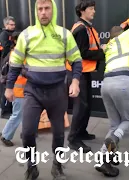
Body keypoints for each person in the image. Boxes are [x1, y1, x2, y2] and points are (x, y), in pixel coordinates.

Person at [5, 0, 82, 179]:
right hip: (33, 91)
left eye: (47, 8)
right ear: (36, 11)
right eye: (40, 9)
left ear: (53, 10)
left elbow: (76, 60)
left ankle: (57, 166)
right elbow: (15, 64)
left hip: (57, 92)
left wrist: (75, 81)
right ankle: (31, 166)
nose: (43, 12)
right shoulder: (27, 35)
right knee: (27, 132)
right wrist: (9, 87)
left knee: (58, 134)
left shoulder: (64, 34)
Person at [94, 14, 129, 177]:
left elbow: (102, 48)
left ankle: (104, 159)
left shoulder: (108, 45)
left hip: (106, 84)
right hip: (123, 83)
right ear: (122, 33)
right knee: (127, 121)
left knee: (113, 125)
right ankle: (114, 140)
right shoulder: (125, 38)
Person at [67, 0, 105, 153]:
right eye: (91, 9)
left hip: (84, 71)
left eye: (94, 9)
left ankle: (81, 132)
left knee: (86, 105)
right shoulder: (81, 29)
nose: (94, 11)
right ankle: (73, 139)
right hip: (78, 73)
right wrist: (103, 52)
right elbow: (82, 53)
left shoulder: (86, 28)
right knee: (81, 106)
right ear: (82, 11)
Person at [0, 31, 23, 146]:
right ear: (15, 41)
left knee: (23, 113)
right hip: (19, 90)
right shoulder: (16, 54)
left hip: (23, 90)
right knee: (18, 114)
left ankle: (26, 132)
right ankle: (6, 135)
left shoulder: (20, 52)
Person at [0, 16, 15, 119]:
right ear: (6, 25)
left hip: (12, 62)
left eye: (14, 24)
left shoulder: (12, 34)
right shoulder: (4, 34)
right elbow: (5, 46)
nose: (13, 26)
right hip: (6, 63)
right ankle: (5, 111)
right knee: (6, 86)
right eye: (11, 24)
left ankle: (10, 109)